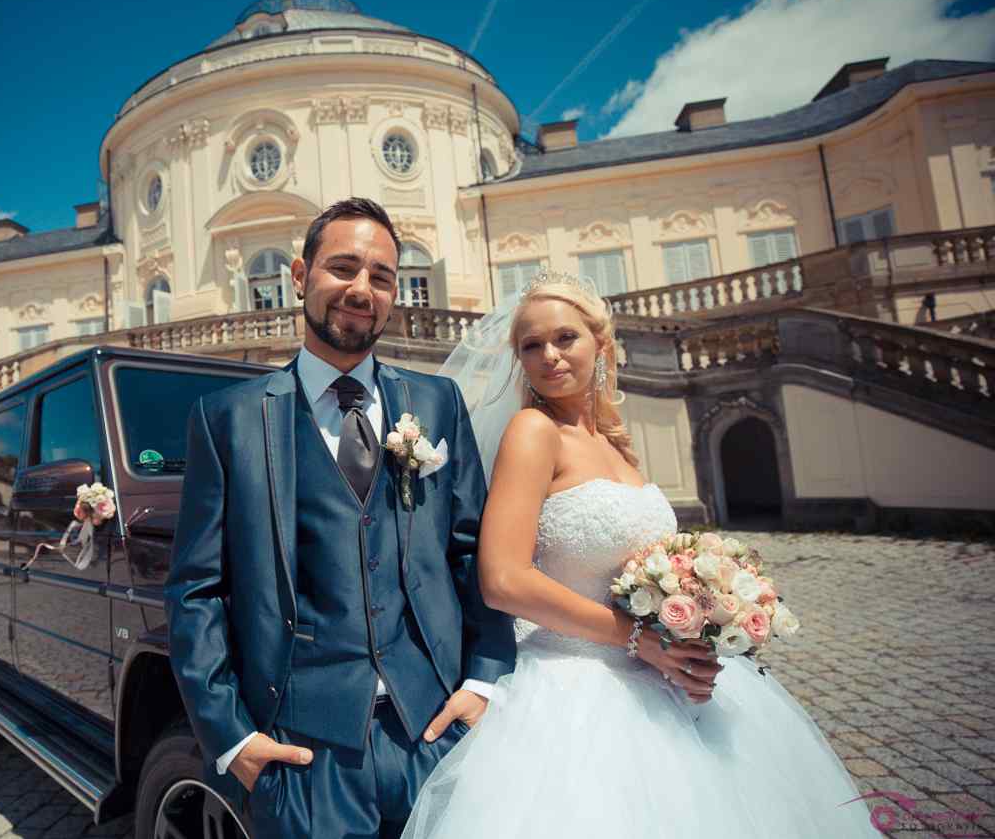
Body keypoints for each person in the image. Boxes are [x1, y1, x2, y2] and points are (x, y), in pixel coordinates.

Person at [402, 272, 879, 838]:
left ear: (600, 346)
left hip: (658, 676)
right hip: (568, 685)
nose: (549, 356)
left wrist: (697, 621)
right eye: (531, 345)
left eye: (564, 339)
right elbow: (503, 580)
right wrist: (640, 638)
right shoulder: (533, 431)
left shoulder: (614, 443)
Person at [165, 197, 516, 839]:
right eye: (343, 268)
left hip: (432, 729)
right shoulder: (228, 419)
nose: (362, 289)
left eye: (382, 276)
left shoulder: (437, 403)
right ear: (300, 277)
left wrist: (487, 681)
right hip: (302, 750)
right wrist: (230, 735)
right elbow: (196, 590)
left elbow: (473, 549)